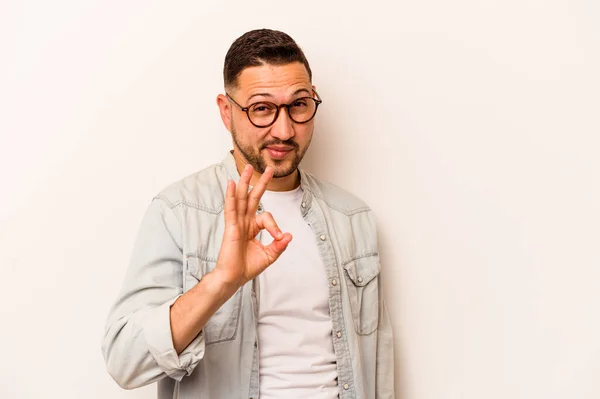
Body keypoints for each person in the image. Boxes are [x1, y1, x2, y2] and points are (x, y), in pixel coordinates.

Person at [102, 28, 394, 399]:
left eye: (299, 105)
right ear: (227, 112)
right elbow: (125, 362)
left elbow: (378, 363)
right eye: (261, 109)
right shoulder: (178, 212)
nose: (285, 129)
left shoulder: (353, 218)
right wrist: (221, 281)